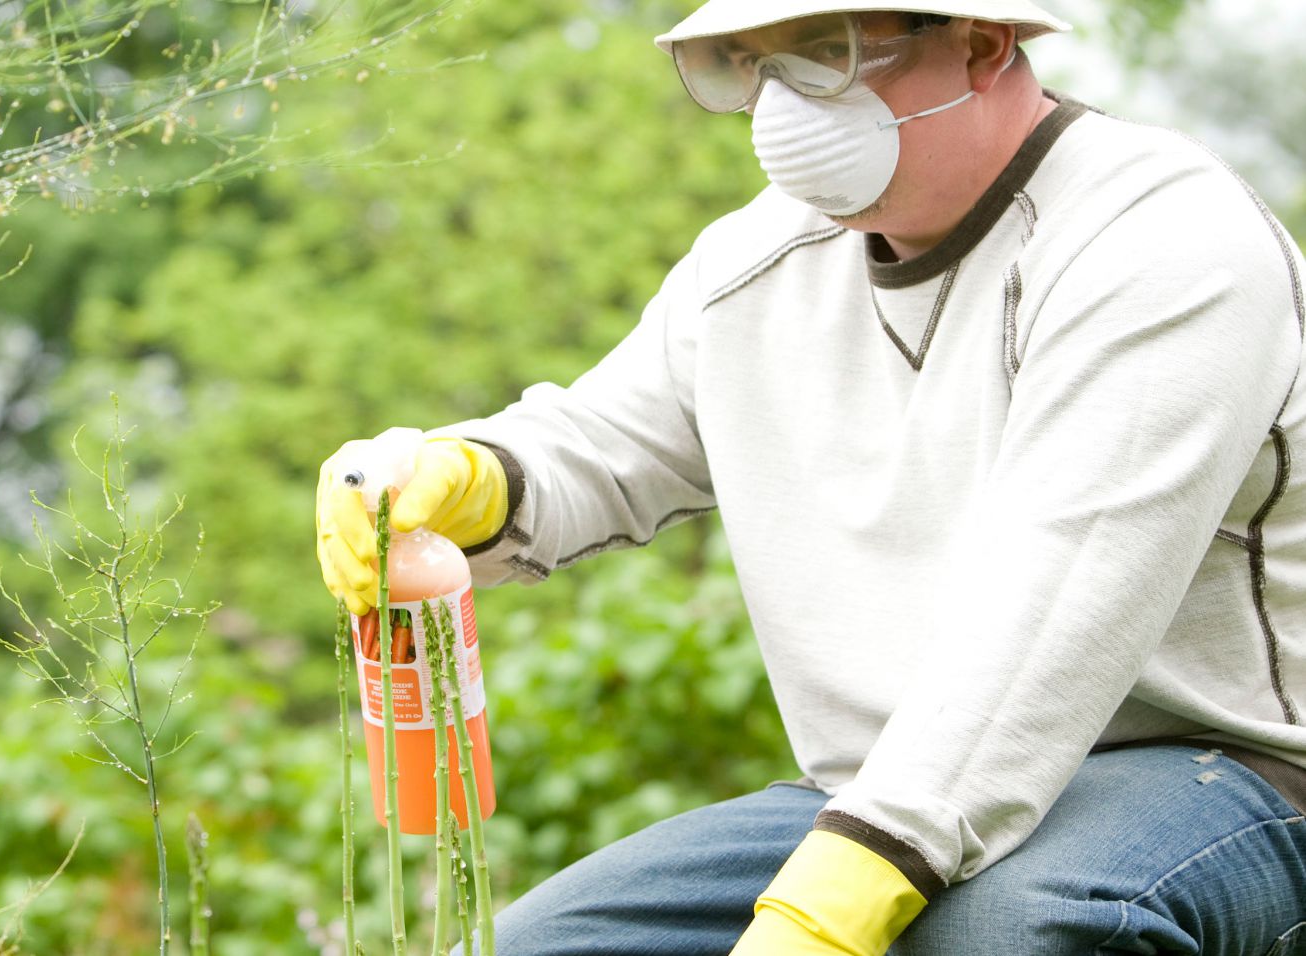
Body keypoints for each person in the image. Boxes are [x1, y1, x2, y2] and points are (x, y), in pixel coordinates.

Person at [314, 1, 1306, 952]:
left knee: (1006, 929)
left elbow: (1053, 617)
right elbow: (607, 439)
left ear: (981, 43)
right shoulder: (756, 260)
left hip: (1215, 770)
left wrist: (832, 906)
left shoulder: (1158, 240)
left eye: (826, 51)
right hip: (882, 787)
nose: (781, 101)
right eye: (752, 61)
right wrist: (466, 476)